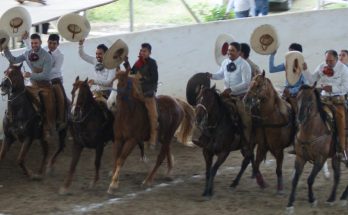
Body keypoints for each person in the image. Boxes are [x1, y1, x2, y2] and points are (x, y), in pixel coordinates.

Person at [3, 33, 55, 138]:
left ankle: (48, 126)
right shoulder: (27, 53)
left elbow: (45, 74)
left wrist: (31, 74)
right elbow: (14, 60)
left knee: (48, 101)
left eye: (36, 43)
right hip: (32, 83)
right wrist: (5, 48)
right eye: (32, 43)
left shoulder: (47, 57)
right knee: (20, 95)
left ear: (40, 43)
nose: (34, 45)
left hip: (45, 84)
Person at [302, 50, 348, 164]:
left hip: (337, 101)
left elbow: (346, 88)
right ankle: (300, 141)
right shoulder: (322, 66)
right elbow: (312, 79)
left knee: (340, 119)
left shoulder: (343, 69)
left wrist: (332, 88)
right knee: (306, 111)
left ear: (336, 59)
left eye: (330, 61)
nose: (328, 63)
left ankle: (342, 149)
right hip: (323, 99)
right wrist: (305, 70)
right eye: (326, 60)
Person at [207, 42, 252, 142]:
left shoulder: (245, 65)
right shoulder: (225, 62)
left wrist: (231, 89)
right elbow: (220, 75)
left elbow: (246, 83)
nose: (229, 52)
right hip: (226, 95)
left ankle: (247, 140)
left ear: (239, 52)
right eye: (228, 50)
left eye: (232, 50)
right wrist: (212, 75)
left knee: (245, 118)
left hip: (240, 96)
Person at [23, 32, 67, 130]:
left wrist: (43, 70)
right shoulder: (43, 50)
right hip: (40, 78)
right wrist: (26, 39)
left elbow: (56, 69)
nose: (51, 45)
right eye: (50, 43)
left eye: (54, 43)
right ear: (47, 42)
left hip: (55, 79)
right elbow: (31, 50)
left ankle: (60, 119)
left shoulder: (60, 55)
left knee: (61, 98)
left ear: (58, 44)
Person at [124, 43, 158, 149]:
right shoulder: (138, 63)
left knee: (153, 116)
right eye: (141, 51)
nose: (142, 53)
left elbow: (155, 78)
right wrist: (126, 62)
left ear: (149, 53)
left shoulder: (152, 63)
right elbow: (131, 74)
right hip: (138, 93)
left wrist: (141, 79)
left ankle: (153, 139)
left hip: (148, 92)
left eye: (145, 51)